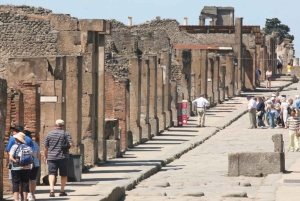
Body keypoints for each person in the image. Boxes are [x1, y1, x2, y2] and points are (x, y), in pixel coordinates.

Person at [43, 119, 73, 197]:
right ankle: (62, 191)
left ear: (55, 125)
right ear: (63, 125)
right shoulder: (66, 133)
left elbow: (45, 147)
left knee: (52, 173)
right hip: (63, 156)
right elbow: (71, 144)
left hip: (52, 157)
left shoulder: (50, 134)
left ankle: (52, 190)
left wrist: (45, 156)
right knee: (63, 174)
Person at [5, 125, 34, 201]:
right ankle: (24, 199)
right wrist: (30, 164)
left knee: (16, 183)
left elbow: (10, 155)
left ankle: (16, 199)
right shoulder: (28, 145)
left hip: (16, 167)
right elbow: (32, 156)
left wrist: (13, 162)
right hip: (26, 167)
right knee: (25, 183)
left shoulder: (14, 145)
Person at [24, 130, 41, 201]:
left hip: (25, 164)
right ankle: (32, 195)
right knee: (33, 179)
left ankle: (23, 195)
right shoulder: (35, 144)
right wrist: (37, 160)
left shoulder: (23, 144)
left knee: (25, 180)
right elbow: (39, 155)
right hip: (35, 163)